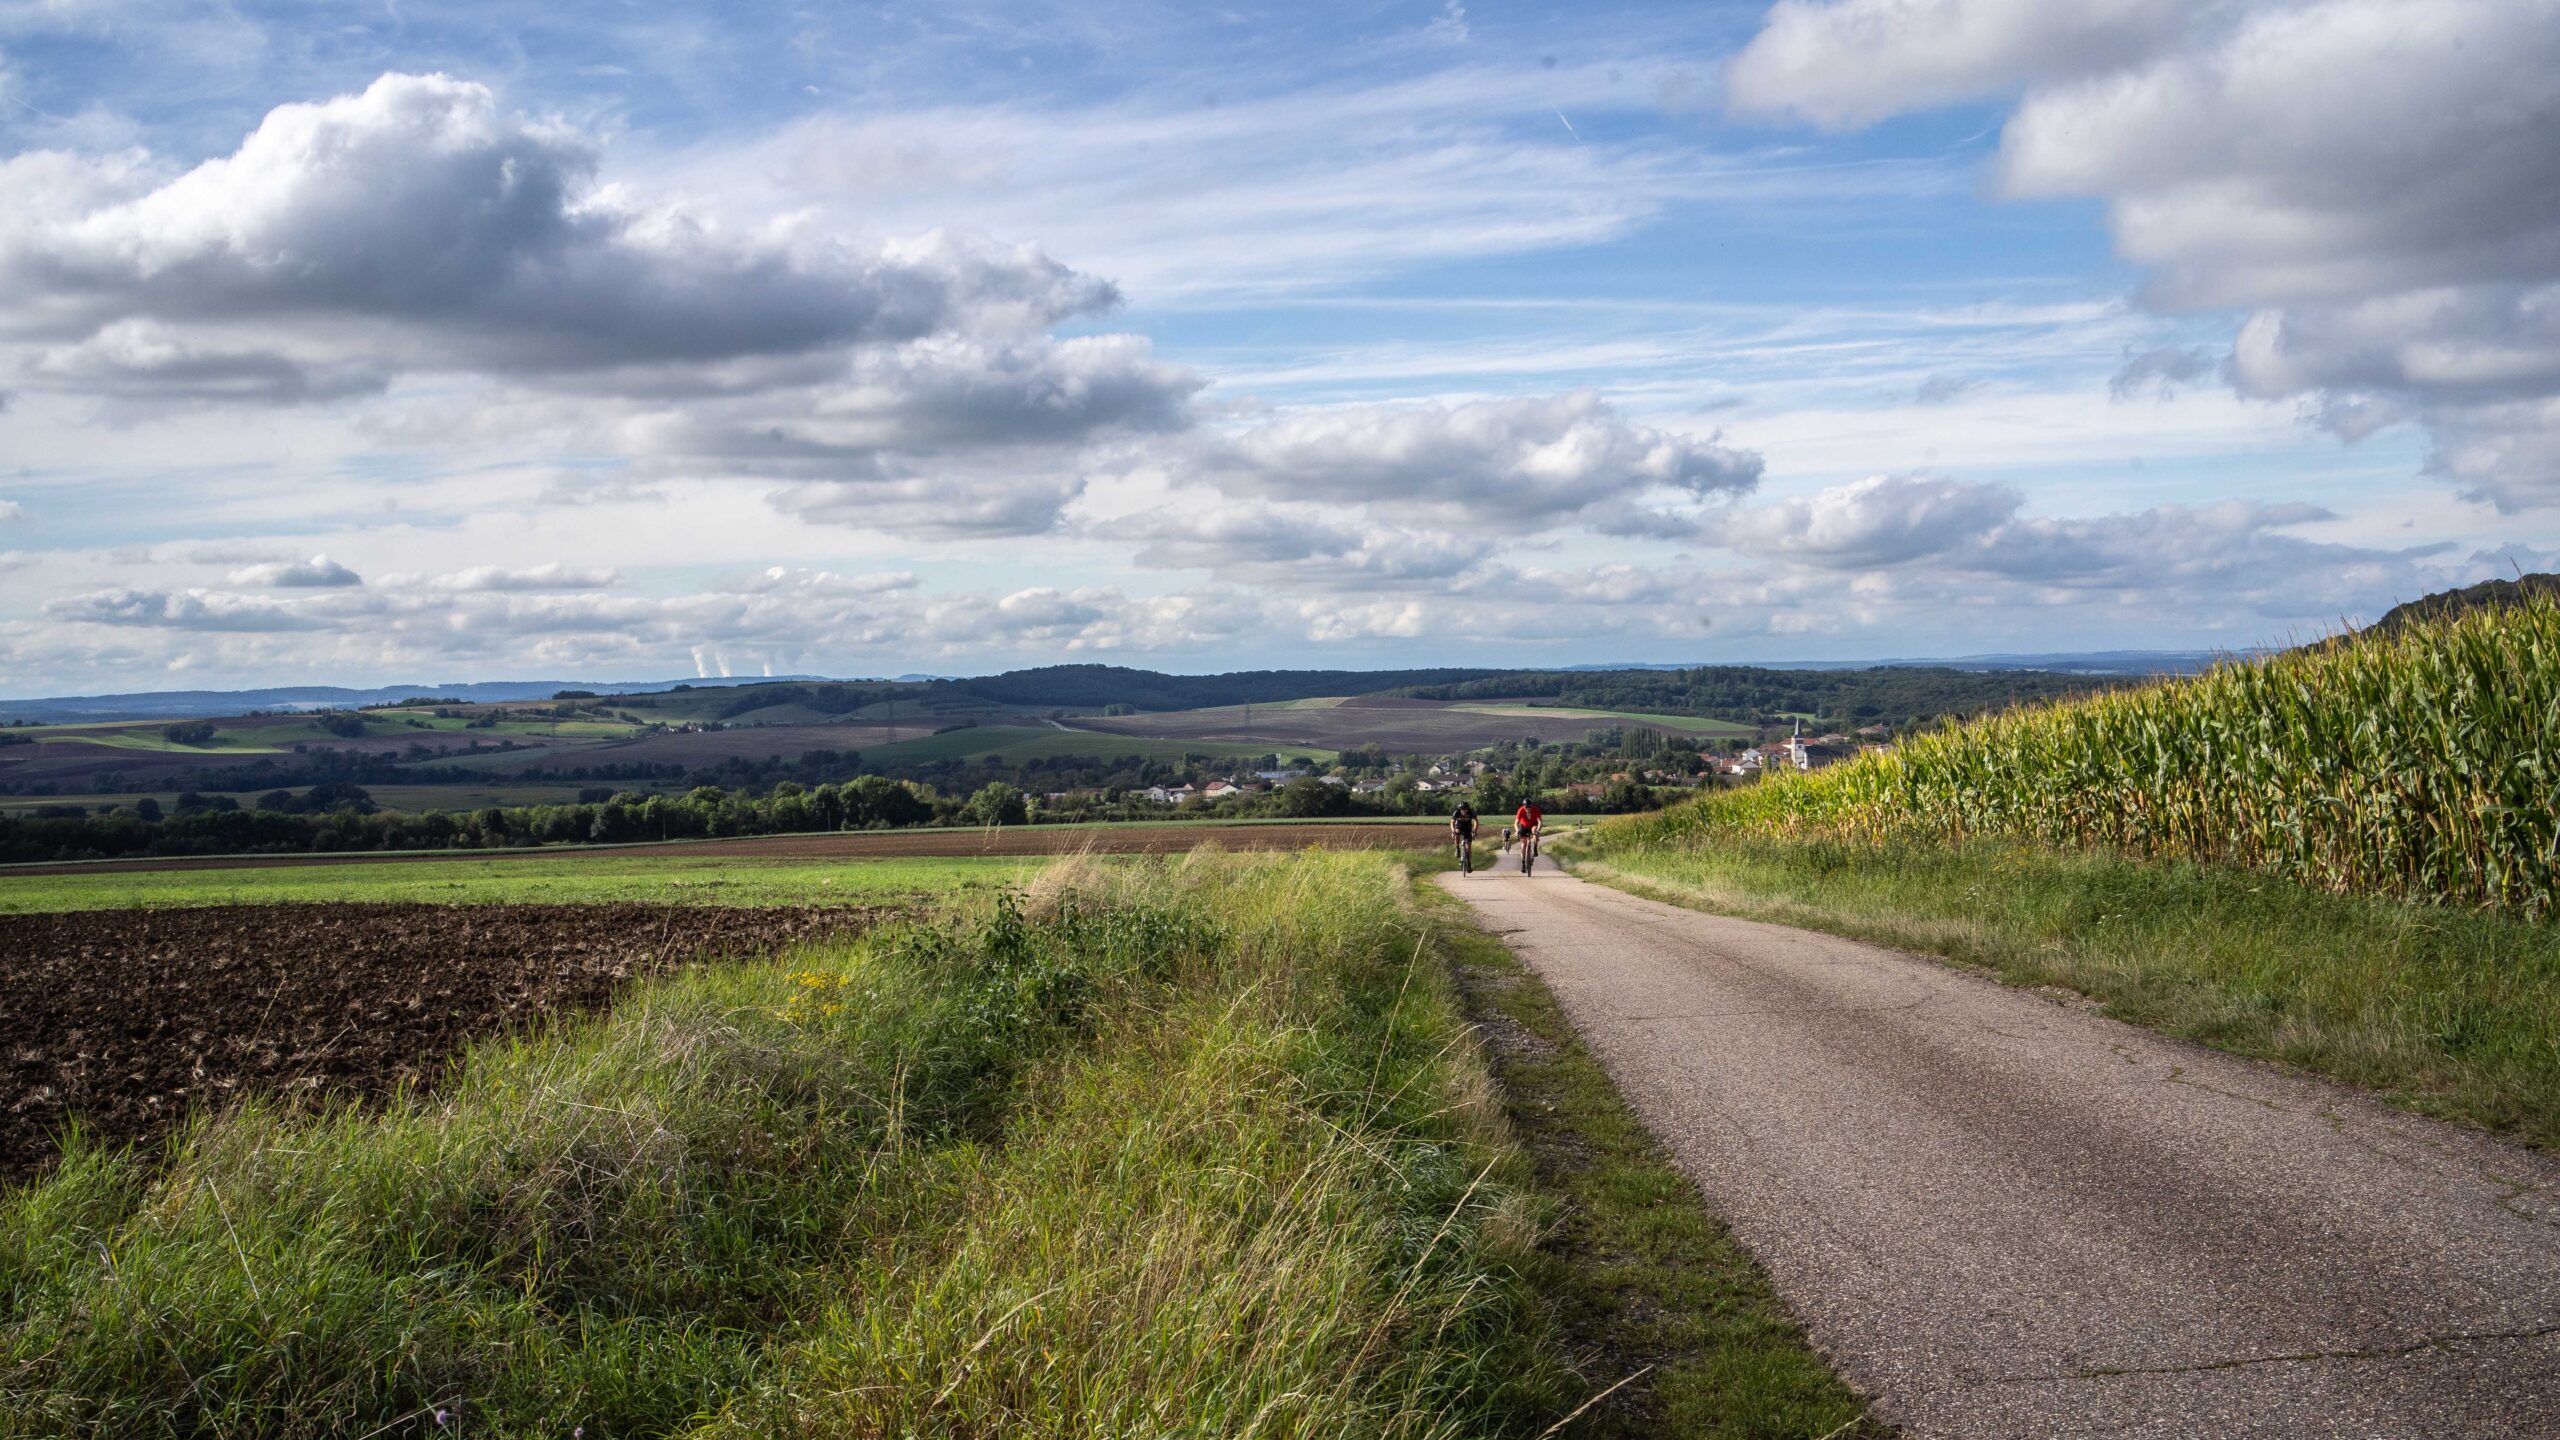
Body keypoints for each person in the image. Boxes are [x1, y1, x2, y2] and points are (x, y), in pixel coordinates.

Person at [1449, 801, 1478, 873]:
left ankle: (1469, 865)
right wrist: (1453, 831)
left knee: (1468, 848)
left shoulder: (1471, 812)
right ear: (1459, 809)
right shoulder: (1456, 812)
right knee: (1457, 832)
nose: (1463, 811)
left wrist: (1474, 831)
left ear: (1467, 809)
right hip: (1459, 826)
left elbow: (1476, 822)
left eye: (1465, 809)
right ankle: (1457, 848)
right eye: (1461, 809)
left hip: (1468, 828)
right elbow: (1452, 822)